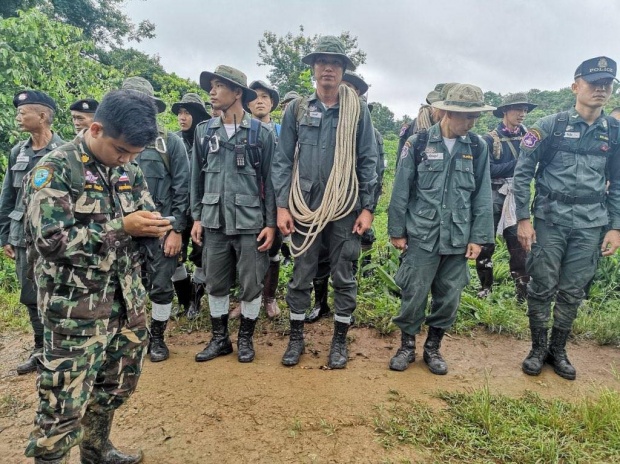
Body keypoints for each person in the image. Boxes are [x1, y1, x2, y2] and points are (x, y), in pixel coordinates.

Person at [23, 89, 170, 464]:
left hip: (126, 302)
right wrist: (123, 228)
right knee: (63, 401)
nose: (126, 160)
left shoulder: (128, 168)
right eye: (121, 151)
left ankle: (96, 450)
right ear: (97, 129)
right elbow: (49, 241)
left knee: (114, 386)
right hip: (75, 308)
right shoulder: (56, 168)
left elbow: (145, 210)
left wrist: (154, 227)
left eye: (134, 155)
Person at [272, 36, 378, 369]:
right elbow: (282, 159)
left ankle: (339, 341)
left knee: (344, 274)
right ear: (314, 69)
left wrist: (368, 207)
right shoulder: (298, 109)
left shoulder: (357, 110)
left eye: (335, 63)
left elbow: (368, 159)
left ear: (343, 70)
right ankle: (296, 338)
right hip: (305, 204)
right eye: (322, 62)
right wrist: (282, 206)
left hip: (346, 207)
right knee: (302, 273)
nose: (328, 68)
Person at [515, 57, 620, 381]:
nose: (600, 89)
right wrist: (523, 218)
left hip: (590, 224)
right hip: (551, 220)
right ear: (576, 86)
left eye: (607, 83)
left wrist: (615, 227)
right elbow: (522, 174)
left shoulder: (614, 132)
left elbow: (617, 182)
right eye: (593, 83)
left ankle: (557, 350)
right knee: (542, 286)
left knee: (573, 291)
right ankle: (537, 348)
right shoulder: (550, 126)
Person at [387, 83, 494, 374]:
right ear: (446, 111)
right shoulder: (418, 143)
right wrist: (397, 231)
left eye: (475, 117)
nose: (471, 123)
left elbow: (482, 194)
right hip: (423, 234)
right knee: (414, 293)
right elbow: (401, 189)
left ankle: (433, 348)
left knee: (449, 296)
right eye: (465, 116)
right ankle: (406, 346)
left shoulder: (477, 146)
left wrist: (479, 237)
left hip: (458, 237)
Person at [191, 65, 277, 364]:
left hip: (250, 223)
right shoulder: (204, 132)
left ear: (237, 92)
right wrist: (197, 216)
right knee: (215, 283)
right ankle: (219, 339)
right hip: (214, 221)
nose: (212, 92)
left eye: (218, 86)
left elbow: (271, 181)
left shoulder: (261, 133)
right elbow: (196, 179)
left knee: (251, 284)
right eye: (210, 86)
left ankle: (245, 339)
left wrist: (270, 224)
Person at [121, 77, 190, 363]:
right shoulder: (109, 143)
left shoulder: (168, 143)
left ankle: (158, 337)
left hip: (160, 230)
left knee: (161, 287)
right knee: (124, 287)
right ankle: (130, 337)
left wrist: (176, 230)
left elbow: (183, 189)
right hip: (122, 231)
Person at [0, 90, 64, 375]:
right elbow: (8, 197)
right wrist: (5, 236)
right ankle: (39, 349)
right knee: (30, 295)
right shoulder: (18, 152)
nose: (18, 117)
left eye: (23, 112)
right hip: (23, 236)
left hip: (56, 236)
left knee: (59, 292)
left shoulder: (67, 150)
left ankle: (58, 348)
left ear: (42, 116)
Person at [475, 93, 537, 300]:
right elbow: (488, 170)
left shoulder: (529, 137)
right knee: (486, 243)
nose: (522, 114)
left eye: (525, 110)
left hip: (517, 195)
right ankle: (486, 288)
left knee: (519, 244)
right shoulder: (489, 139)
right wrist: (520, 166)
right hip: (494, 195)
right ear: (505, 112)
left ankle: (522, 292)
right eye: (517, 109)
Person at [171, 92, 211, 320]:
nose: (182, 117)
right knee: (174, 256)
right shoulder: (171, 141)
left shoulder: (206, 140)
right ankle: (184, 301)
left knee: (200, 257)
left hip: (200, 210)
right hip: (177, 210)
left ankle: (195, 302)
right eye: (180, 113)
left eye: (187, 113)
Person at [248, 80, 282, 318]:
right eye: (255, 96)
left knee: (273, 250)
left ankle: (269, 298)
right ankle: (248, 299)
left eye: (265, 96)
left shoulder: (282, 131)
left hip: (277, 199)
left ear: (272, 103)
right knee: (246, 251)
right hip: (249, 201)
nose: (260, 100)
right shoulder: (242, 129)